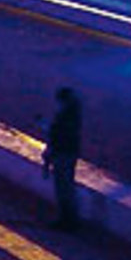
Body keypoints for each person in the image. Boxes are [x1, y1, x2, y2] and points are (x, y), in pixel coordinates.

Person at [42, 87, 83, 230]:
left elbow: (58, 135)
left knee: (63, 188)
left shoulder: (65, 117)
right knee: (66, 187)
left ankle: (67, 220)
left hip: (63, 154)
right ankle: (69, 219)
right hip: (68, 153)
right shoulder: (73, 115)